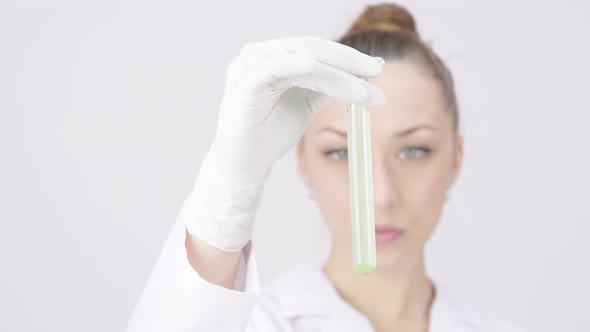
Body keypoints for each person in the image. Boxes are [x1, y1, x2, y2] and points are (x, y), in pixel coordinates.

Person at [126, 3, 524, 332]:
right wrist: (228, 193)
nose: (381, 195)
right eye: (341, 153)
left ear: (455, 158)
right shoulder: (260, 323)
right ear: (302, 160)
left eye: (414, 151)